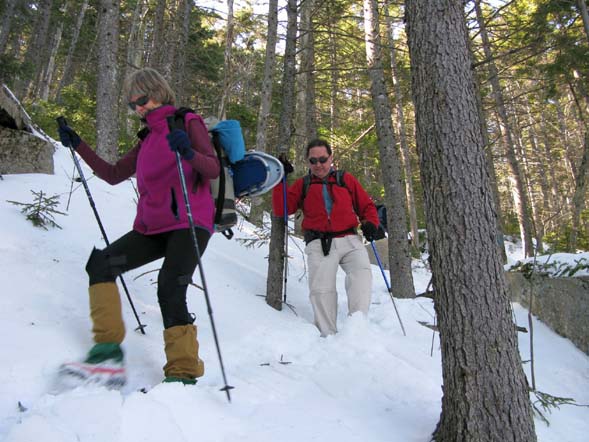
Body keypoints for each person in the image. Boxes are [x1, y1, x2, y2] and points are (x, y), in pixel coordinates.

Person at [58, 67, 220, 386]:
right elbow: (113, 173)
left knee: (170, 286)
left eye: (142, 100)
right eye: (133, 104)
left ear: (158, 93)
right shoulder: (146, 139)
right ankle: (107, 349)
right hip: (152, 227)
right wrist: (77, 144)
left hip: (190, 222)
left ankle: (183, 371)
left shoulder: (187, 122)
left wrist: (187, 151)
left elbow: (212, 168)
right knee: (102, 264)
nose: (139, 108)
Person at [272, 139, 380, 337]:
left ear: (331, 158)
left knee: (362, 278)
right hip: (319, 242)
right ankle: (328, 335)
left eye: (323, 159)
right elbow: (282, 209)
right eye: (313, 161)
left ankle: (357, 329)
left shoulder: (345, 179)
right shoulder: (303, 184)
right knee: (321, 290)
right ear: (308, 162)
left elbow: (366, 205)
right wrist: (281, 179)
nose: (319, 164)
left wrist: (371, 223)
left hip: (349, 238)